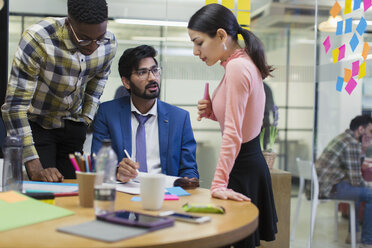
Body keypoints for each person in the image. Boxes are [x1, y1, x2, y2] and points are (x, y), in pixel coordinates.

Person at [188, 4, 277, 247]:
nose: (196, 51)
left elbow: (234, 133)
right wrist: (213, 112)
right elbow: (245, 119)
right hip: (247, 162)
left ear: (220, 35)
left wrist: (217, 183)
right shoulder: (240, 62)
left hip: (243, 166)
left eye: (198, 43)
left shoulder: (237, 67)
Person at [1, 0, 117, 182]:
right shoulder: (38, 39)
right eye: (84, 38)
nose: (93, 46)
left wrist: (85, 120)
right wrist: (33, 165)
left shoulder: (109, 43)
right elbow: (14, 107)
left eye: (99, 38)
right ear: (69, 23)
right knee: (43, 193)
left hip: (73, 126)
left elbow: (97, 84)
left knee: (72, 194)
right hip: (39, 125)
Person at [91, 45, 199, 182]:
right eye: (142, 72)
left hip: (166, 195)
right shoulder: (108, 113)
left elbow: (189, 169)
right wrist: (117, 171)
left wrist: (188, 180)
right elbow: (97, 164)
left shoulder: (179, 118)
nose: (152, 78)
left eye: (155, 70)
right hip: (124, 194)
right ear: (126, 82)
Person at [316, 115, 372, 248]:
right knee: (369, 194)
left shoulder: (344, 138)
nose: (371, 135)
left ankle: (354, 235)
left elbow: (353, 173)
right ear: (361, 129)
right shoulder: (351, 143)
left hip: (326, 185)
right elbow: (355, 179)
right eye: (370, 131)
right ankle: (367, 241)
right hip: (330, 188)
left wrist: (362, 149)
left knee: (362, 191)